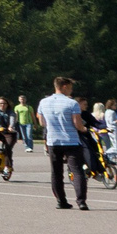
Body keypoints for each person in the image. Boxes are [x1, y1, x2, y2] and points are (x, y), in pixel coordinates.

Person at [38, 76, 88, 210]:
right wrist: (84, 129)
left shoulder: (43, 102)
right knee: (77, 171)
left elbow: (42, 122)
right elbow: (77, 124)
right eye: (70, 87)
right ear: (64, 86)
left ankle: (61, 200)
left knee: (56, 172)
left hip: (53, 141)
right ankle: (81, 201)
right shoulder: (72, 103)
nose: (71, 91)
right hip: (71, 141)